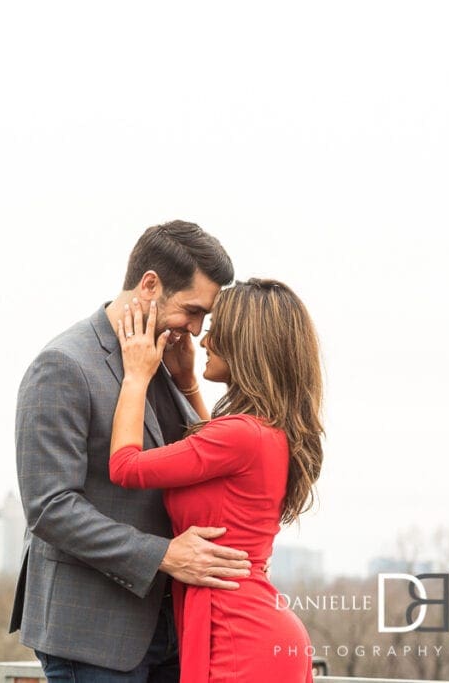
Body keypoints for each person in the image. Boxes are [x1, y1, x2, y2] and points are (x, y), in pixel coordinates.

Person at [10, 221, 253, 682]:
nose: (199, 331)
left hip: (171, 632)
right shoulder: (63, 365)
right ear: (150, 285)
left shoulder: (164, 360)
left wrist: (187, 384)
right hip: (92, 634)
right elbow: (49, 508)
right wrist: (163, 555)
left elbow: (196, 463)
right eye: (192, 311)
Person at [109, 278, 323, 682]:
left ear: (243, 342)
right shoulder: (263, 432)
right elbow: (212, 458)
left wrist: (136, 375)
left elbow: (125, 465)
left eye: (214, 330)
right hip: (249, 629)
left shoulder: (241, 435)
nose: (202, 340)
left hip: (238, 639)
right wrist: (188, 384)